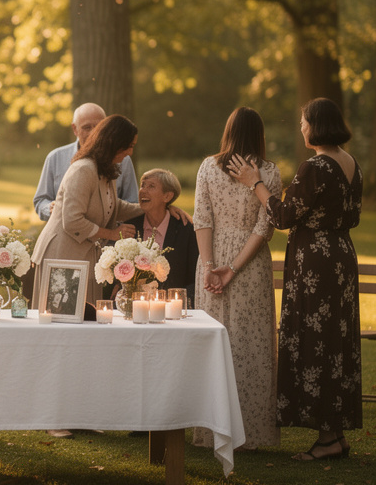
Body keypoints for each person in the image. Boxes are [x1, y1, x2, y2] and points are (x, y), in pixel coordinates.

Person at [228, 98, 363, 461]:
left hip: (315, 266)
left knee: (315, 341)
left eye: (304, 122)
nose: (301, 128)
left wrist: (255, 182)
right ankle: (334, 432)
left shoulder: (315, 166)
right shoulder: (351, 164)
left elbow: (284, 215)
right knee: (336, 342)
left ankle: (326, 438)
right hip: (341, 257)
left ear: (315, 125)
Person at [31, 114, 141, 439]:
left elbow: (113, 206)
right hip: (61, 260)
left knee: (83, 339)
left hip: (83, 260)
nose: (130, 153)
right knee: (60, 340)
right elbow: (72, 220)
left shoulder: (105, 172)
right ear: (114, 144)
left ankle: (78, 411)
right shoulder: (83, 169)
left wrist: (150, 206)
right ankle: (52, 416)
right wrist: (113, 234)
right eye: (128, 147)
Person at [192, 107, 282, 451]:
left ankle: (212, 431)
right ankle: (252, 434)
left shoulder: (208, 167)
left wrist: (212, 264)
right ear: (259, 134)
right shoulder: (268, 172)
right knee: (252, 343)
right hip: (251, 261)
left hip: (211, 258)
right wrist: (233, 267)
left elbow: (203, 218)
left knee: (215, 343)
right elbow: (264, 227)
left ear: (228, 130)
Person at [32, 102, 138, 221]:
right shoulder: (55, 158)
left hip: (110, 238)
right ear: (75, 129)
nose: (93, 133)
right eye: (87, 127)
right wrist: (50, 208)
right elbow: (40, 200)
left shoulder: (122, 159)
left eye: (98, 127)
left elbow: (132, 202)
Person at [120, 169, 200, 307]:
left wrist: (176, 303)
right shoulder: (130, 227)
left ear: (167, 196)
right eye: (142, 185)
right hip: (134, 306)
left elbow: (195, 278)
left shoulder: (185, 230)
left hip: (172, 309)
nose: (143, 191)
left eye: (151, 186)